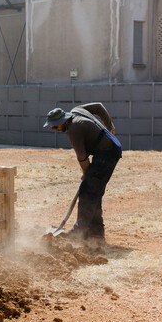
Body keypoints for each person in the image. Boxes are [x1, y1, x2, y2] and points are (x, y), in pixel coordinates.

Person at [43, 103, 122, 241]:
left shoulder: (73, 130)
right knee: (94, 192)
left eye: (55, 127)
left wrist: (86, 174)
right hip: (110, 149)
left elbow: (82, 157)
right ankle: (96, 233)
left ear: (62, 122)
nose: (55, 130)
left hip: (106, 154)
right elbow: (98, 107)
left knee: (87, 191)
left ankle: (79, 233)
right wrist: (110, 127)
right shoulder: (77, 110)